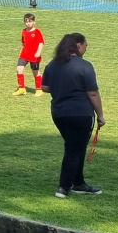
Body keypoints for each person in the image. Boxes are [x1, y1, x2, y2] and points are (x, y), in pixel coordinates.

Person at [41, 33, 105, 198]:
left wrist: (62, 85)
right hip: (81, 114)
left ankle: (78, 183)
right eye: (85, 45)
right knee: (73, 149)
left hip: (59, 113)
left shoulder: (52, 65)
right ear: (78, 45)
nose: (86, 48)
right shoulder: (85, 66)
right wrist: (100, 115)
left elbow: (45, 87)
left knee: (76, 147)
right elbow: (92, 93)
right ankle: (63, 187)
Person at [15, 13, 46, 96]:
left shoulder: (37, 32)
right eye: (26, 21)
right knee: (19, 69)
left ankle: (39, 90)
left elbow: (41, 42)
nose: (28, 23)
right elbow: (23, 43)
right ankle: (21, 89)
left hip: (34, 56)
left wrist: (38, 52)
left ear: (34, 22)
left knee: (35, 72)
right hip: (24, 55)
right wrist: (21, 52)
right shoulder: (24, 31)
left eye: (30, 21)